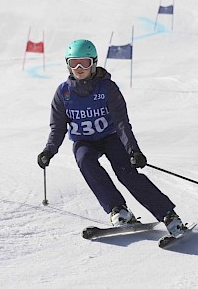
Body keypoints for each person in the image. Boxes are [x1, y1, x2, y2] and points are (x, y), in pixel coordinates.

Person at [37, 39, 187, 237]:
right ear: (67, 64)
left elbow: (122, 123)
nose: (79, 68)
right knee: (85, 161)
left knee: (127, 173)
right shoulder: (63, 93)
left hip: (111, 137)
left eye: (85, 62)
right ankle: (118, 210)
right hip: (84, 142)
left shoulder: (108, 88)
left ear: (94, 63)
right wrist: (49, 150)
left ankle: (169, 215)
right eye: (74, 63)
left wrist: (134, 150)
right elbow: (57, 126)